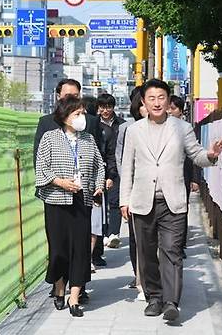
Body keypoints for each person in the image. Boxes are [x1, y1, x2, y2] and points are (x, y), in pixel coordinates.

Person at [120, 79, 222, 321]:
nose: (157, 102)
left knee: (172, 250)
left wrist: (211, 155)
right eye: (152, 98)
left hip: (173, 201)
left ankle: (171, 301)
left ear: (168, 101)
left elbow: (197, 154)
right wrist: (123, 200)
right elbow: (128, 167)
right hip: (142, 201)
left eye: (161, 97)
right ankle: (154, 297)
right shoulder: (134, 131)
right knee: (146, 254)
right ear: (144, 102)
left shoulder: (182, 127)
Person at [32, 79, 104, 301]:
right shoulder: (48, 130)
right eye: (68, 97)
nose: (80, 116)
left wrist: (99, 185)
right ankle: (59, 286)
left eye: (77, 97)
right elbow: (40, 162)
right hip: (56, 197)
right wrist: (59, 181)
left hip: (82, 198)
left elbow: (98, 162)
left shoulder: (89, 131)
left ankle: (77, 292)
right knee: (59, 248)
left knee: (80, 247)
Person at [116, 88, 148, 297]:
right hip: (136, 190)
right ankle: (140, 277)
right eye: (145, 103)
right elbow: (121, 160)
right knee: (137, 237)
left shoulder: (170, 127)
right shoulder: (128, 129)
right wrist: (126, 192)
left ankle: (151, 278)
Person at [169, 95, 203, 258]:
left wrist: (195, 179)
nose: (169, 111)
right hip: (165, 176)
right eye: (168, 107)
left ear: (181, 111)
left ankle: (179, 244)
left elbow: (194, 155)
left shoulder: (185, 128)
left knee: (181, 209)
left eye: (173, 108)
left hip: (184, 174)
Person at [97, 93, 125, 249]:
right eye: (102, 107)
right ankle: (103, 234)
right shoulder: (94, 124)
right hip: (99, 167)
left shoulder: (121, 125)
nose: (105, 110)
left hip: (117, 167)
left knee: (115, 201)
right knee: (99, 202)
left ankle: (114, 234)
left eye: (108, 106)